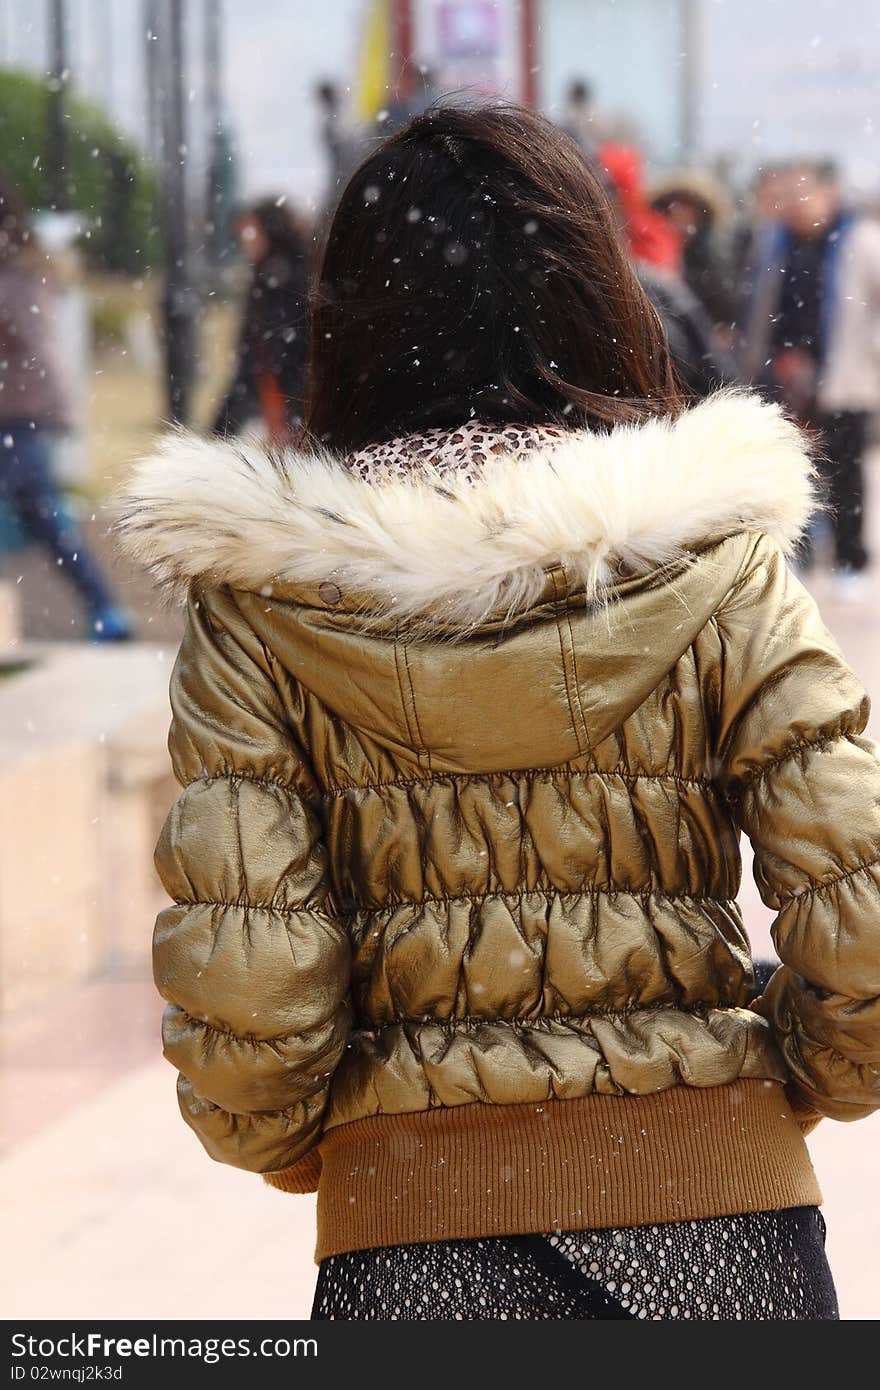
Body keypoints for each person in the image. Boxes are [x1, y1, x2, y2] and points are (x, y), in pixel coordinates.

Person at [116, 106, 880, 1322]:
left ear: (354, 318)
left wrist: (327, 1144)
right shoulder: (717, 559)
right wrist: (770, 1069)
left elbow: (254, 995)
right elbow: (863, 923)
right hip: (726, 1231)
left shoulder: (263, 601)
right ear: (593, 290)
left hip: (410, 1248)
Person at [738, 161, 880, 597]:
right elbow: (760, 309)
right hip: (785, 376)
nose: (797, 206)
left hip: (844, 374)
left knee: (846, 469)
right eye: (791, 196)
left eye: (805, 195)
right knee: (794, 466)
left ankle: (849, 560)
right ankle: (793, 556)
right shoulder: (776, 243)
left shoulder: (861, 240)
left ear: (828, 195)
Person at [0, 178, 131, 641]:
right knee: (43, 515)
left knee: (41, 513)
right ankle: (106, 610)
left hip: (22, 411)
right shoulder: (22, 267)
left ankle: (107, 610)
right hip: (19, 412)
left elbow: (29, 340)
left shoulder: (21, 272)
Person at [212, 198, 309, 443]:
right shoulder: (286, 274)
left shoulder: (278, 281)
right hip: (284, 405)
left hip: (282, 402)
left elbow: (267, 355)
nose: (245, 239)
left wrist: (218, 432)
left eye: (250, 230)